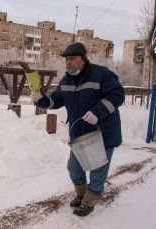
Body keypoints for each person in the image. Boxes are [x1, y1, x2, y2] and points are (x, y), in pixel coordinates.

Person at [31, 42, 125, 217]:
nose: (68, 62)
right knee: (74, 167)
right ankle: (81, 194)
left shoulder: (102, 75)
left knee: (97, 169)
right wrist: (41, 100)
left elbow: (118, 95)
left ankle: (91, 199)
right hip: (80, 134)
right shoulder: (66, 80)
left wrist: (98, 112)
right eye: (66, 59)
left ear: (83, 58)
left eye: (72, 59)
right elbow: (56, 100)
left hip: (102, 132)